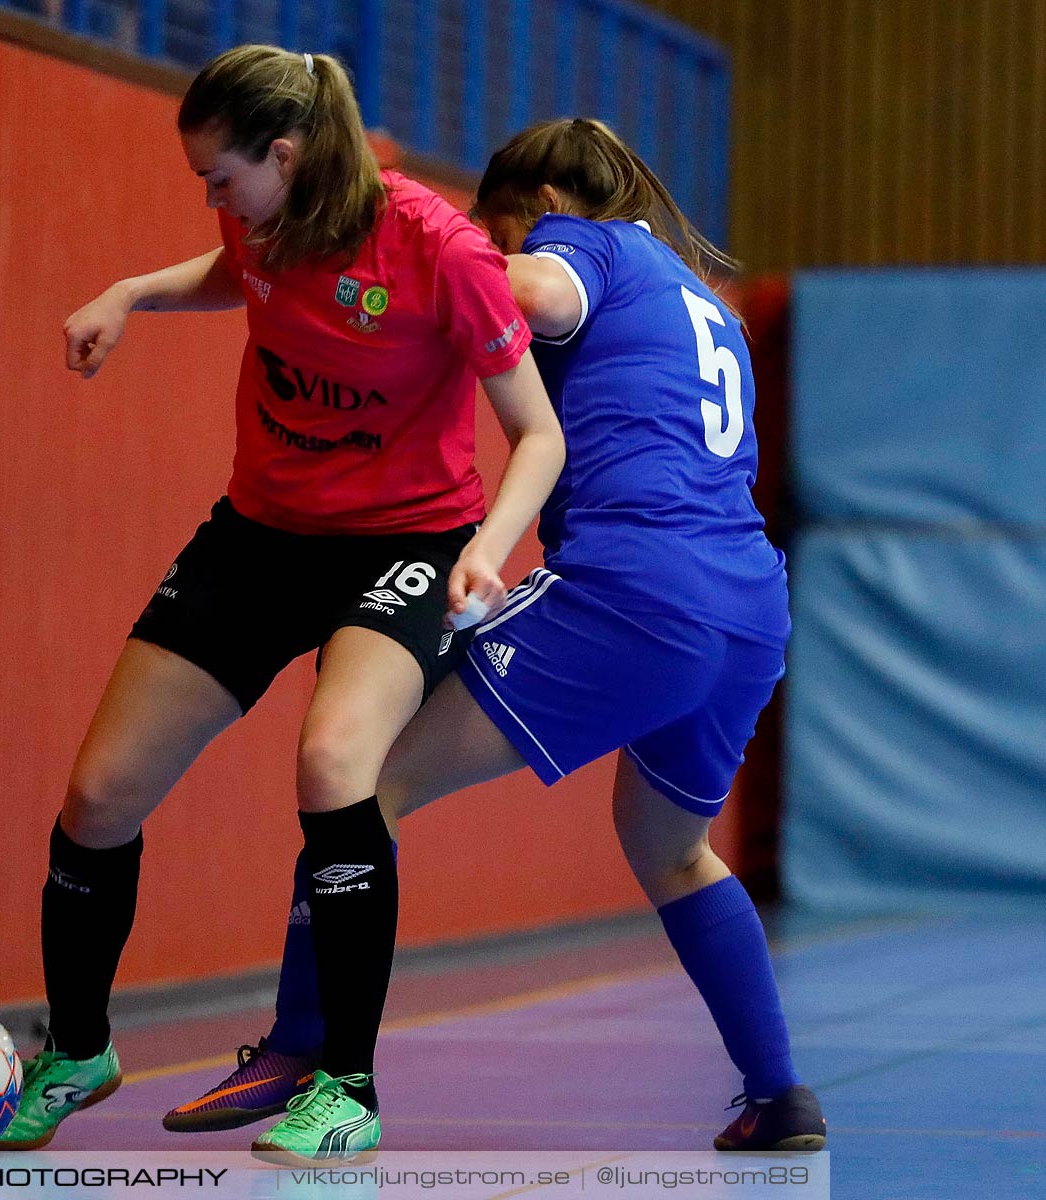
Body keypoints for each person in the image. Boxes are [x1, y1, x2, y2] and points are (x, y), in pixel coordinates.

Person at [173, 117, 827, 1161]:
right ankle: (780, 1093)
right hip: (747, 605)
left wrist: (396, 231)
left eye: (505, 231)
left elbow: (529, 294)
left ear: (548, 210)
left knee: (359, 773)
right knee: (673, 848)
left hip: (634, 586)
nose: (500, 252)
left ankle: (305, 1052)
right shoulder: (701, 297)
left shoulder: (587, 245)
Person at [0, 46, 565, 1151]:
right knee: (101, 794)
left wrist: (491, 547)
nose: (212, 200)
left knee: (333, 765)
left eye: (220, 177)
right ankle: (76, 1048)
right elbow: (235, 273)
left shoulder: (440, 251)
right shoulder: (259, 218)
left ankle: (345, 1086)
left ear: (289, 154)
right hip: (260, 535)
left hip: (408, 543)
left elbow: (536, 433)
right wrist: (129, 292)